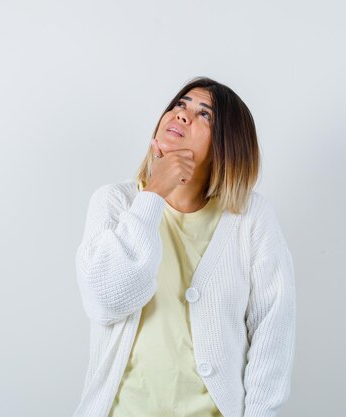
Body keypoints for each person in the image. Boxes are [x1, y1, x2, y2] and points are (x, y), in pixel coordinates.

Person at [73, 76, 296, 417]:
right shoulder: (115, 202)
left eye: (204, 114)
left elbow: (273, 328)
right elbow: (106, 301)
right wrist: (153, 195)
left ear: (227, 144)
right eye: (180, 105)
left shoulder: (251, 218)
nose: (182, 115)